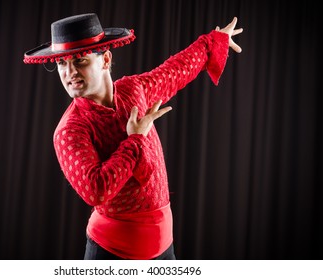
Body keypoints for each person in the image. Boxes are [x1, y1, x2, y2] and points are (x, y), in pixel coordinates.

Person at [23, 13, 243, 260]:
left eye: (80, 61)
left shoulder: (133, 90)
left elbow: (174, 72)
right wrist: (135, 140)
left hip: (164, 250)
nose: (69, 72)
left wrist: (211, 42)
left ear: (105, 60)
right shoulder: (70, 130)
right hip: (111, 254)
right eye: (62, 64)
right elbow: (96, 190)